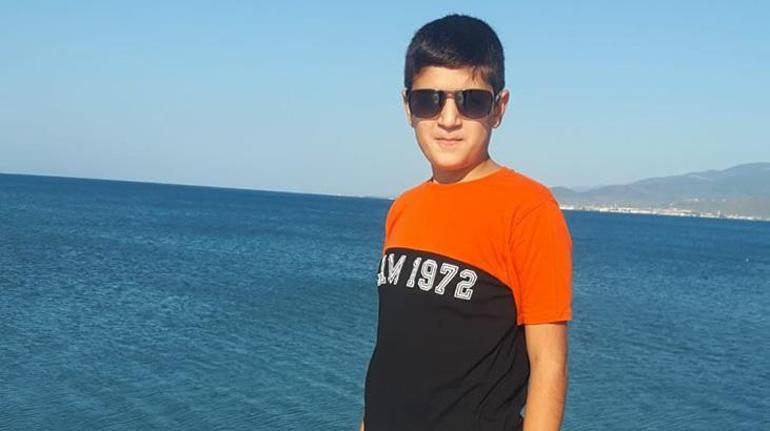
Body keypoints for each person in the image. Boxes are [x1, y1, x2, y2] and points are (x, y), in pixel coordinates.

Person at [360, 14, 573, 431]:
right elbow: (392, 355)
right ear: (408, 108)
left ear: (499, 108)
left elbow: (549, 363)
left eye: (471, 100)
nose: (449, 118)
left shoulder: (528, 210)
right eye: (429, 100)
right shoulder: (404, 208)